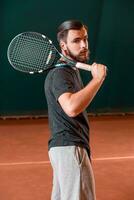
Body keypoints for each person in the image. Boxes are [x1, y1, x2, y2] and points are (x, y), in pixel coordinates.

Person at [45, 19, 107, 200]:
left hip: (64, 149)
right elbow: (71, 107)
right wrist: (97, 80)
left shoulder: (70, 71)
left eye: (85, 39)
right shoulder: (61, 73)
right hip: (70, 150)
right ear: (63, 46)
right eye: (76, 41)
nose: (83, 45)